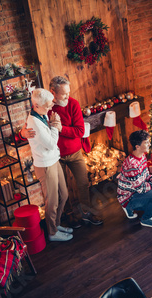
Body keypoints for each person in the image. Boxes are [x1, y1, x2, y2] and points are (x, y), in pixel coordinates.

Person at [21, 75, 103, 228]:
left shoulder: (73, 104)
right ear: (53, 92)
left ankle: (86, 213)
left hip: (75, 152)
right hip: (55, 158)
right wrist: (22, 133)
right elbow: (31, 122)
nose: (68, 96)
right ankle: (68, 215)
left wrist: (60, 129)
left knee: (83, 183)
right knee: (61, 191)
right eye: (64, 93)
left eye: (68, 92)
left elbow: (79, 131)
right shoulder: (45, 106)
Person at [27, 89, 72, 241]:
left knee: (63, 195)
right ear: (36, 105)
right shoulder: (34, 123)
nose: (50, 108)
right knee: (52, 202)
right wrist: (55, 126)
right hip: (45, 165)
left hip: (54, 160)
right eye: (47, 106)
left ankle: (56, 224)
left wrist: (53, 125)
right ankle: (52, 233)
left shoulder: (42, 113)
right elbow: (51, 144)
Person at [117, 130, 152, 228]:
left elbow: (146, 177)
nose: (150, 144)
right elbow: (141, 189)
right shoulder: (131, 165)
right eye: (146, 142)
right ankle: (145, 219)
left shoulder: (142, 156)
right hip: (129, 197)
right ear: (137, 146)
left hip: (137, 192)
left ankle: (139, 208)